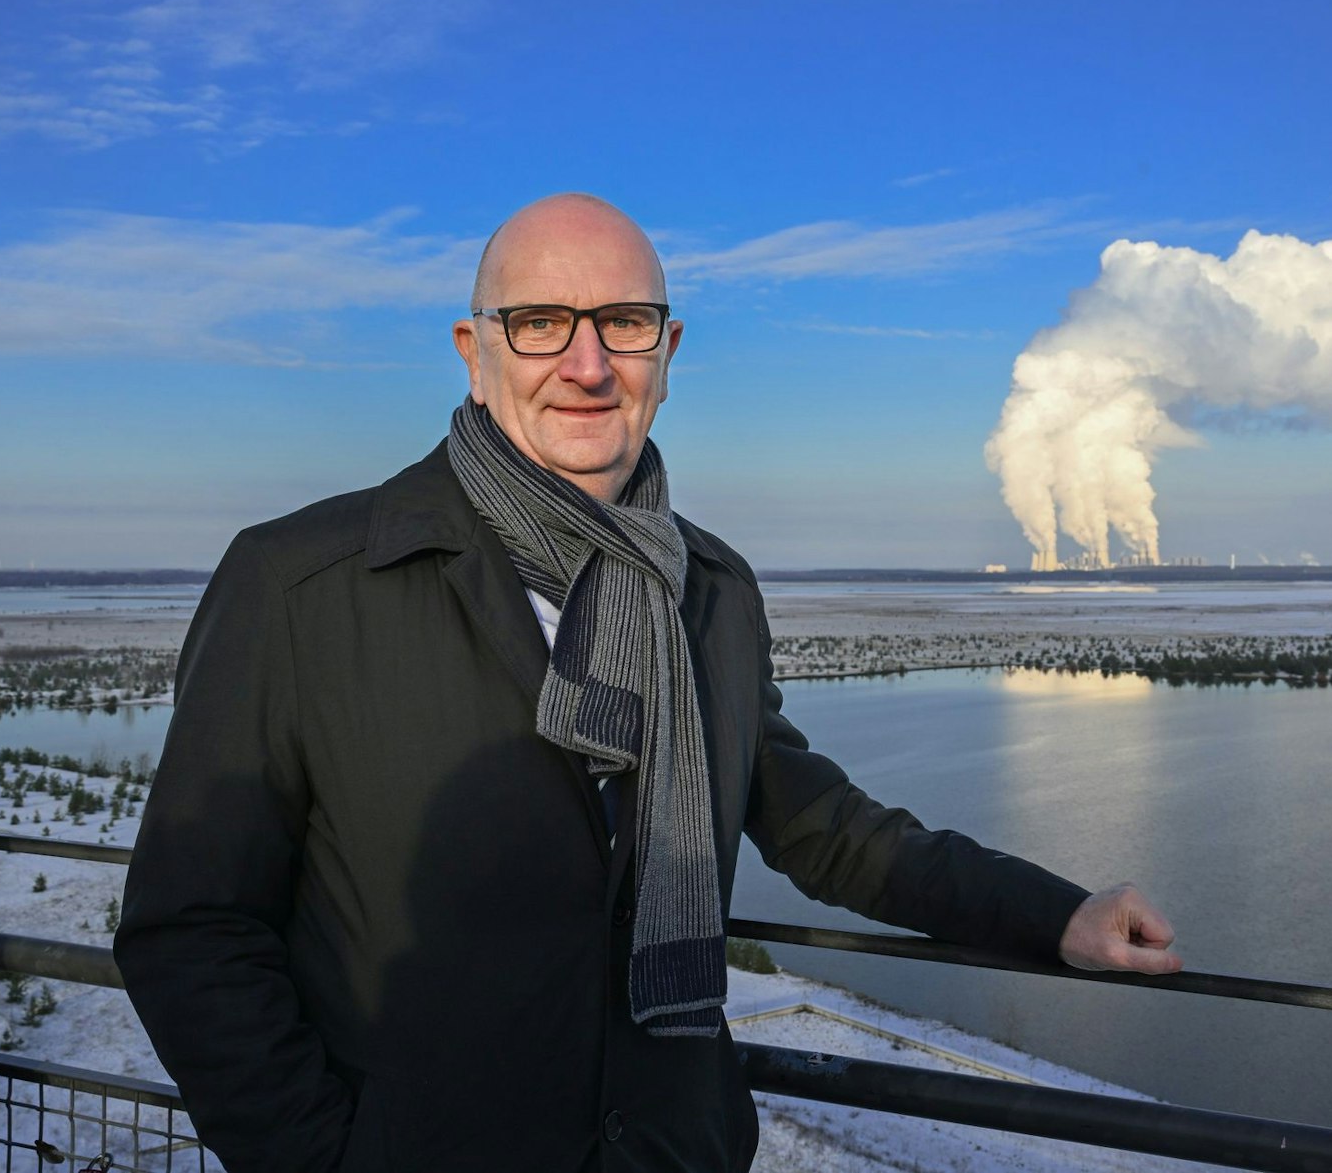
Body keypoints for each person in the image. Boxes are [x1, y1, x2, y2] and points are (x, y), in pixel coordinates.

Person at [114, 193, 1181, 1173]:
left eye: (622, 322)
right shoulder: (304, 583)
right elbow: (193, 929)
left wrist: (1056, 917)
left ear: (665, 353)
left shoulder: (709, 588)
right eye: (539, 322)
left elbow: (821, 826)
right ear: (472, 352)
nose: (585, 364)